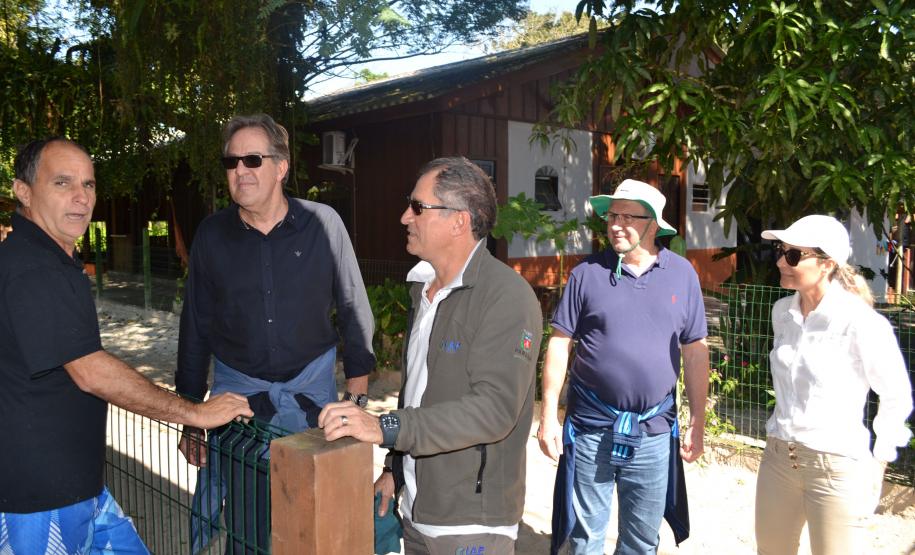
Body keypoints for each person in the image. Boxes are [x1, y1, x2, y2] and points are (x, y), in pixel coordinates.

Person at [0, 137, 253, 554]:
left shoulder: (49, 258)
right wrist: (196, 412)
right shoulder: (32, 267)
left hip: (80, 489)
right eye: (63, 183)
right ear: (24, 191)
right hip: (39, 501)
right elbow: (91, 370)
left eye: (89, 184)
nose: (82, 197)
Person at [318, 156, 543, 554]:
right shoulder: (423, 289)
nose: (405, 217)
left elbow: (493, 410)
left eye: (418, 207)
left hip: (472, 522)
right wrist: (395, 470)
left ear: (459, 221)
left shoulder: (506, 297)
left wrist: (383, 427)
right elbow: (420, 392)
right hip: (418, 509)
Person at [175, 113, 375, 553]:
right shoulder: (212, 235)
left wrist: (357, 397)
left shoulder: (324, 223)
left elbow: (353, 309)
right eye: (231, 162)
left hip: (314, 401)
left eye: (252, 159)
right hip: (239, 404)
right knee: (249, 526)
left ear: (281, 167)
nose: (240, 171)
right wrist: (191, 417)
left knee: (316, 520)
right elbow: (196, 327)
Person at [538, 178, 710, 554]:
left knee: (642, 540)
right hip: (591, 428)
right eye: (611, 215)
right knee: (585, 537)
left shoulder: (682, 274)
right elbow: (560, 343)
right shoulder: (587, 274)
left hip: (653, 431)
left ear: (653, 224)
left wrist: (698, 419)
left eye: (627, 216)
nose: (615, 224)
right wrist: (549, 413)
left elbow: (695, 351)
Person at [756, 215, 913, 555]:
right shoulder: (782, 312)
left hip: (836, 468)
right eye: (782, 251)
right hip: (778, 458)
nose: (781, 260)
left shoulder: (861, 323)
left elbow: (896, 395)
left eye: (794, 255)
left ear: (826, 264)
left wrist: (878, 462)